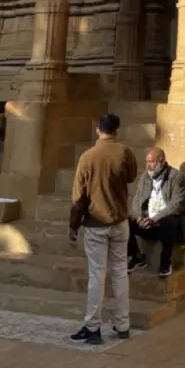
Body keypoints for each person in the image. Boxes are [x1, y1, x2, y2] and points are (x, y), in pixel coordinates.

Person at [68, 112, 138, 345]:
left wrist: (73, 225)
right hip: (119, 220)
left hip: (97, 222)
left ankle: (93, 326)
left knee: (97, 275)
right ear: (116, 131)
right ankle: (122, 323)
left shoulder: (88, 157)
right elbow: (131, 177)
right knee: (119, 272)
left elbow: (79, 197)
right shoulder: (125, 152)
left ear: (98, 129)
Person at [128, 147, 185, 277]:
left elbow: (176, 205)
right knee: (125, 221)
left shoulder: (176, 177)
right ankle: (137, 256)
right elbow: (137, 201)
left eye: (151, 162)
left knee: (170, 221)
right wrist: (139, 217)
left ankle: (165, 263)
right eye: (146, 162)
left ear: (161, 161)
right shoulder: (145, 177)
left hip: (163, 222)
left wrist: (155, 219)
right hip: (147, 222)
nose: (148, 166)